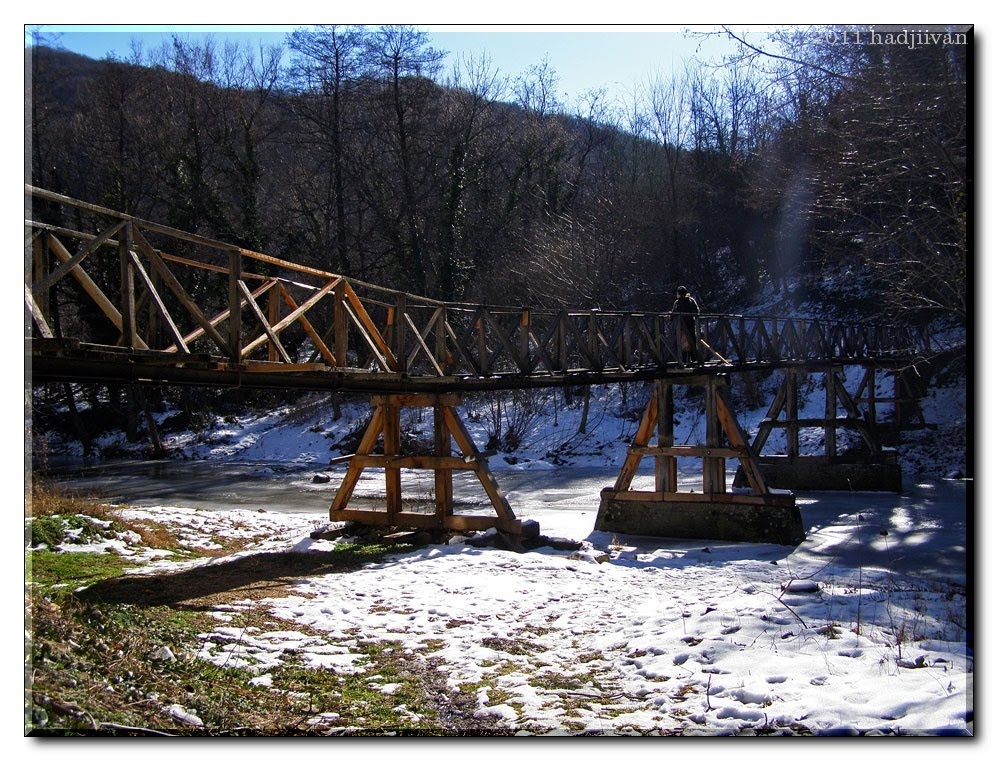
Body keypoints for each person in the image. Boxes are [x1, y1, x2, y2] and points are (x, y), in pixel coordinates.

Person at [670, 286, 701, 365]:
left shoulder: (677, 302)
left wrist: (670, 316)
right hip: (690, 324)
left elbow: (673, 315)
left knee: (682, 344)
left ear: (679, 293)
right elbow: (697, 311)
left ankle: (683, 360)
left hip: (680, 327)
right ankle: (694, 359)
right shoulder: (691, 300)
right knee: (691, 342)